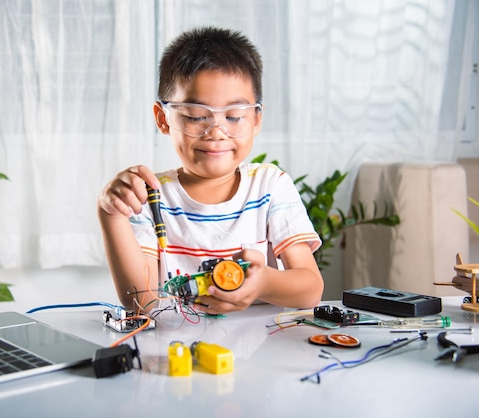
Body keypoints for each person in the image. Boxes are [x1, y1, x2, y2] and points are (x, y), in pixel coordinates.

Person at [97, 26, 323, 314]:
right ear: (163, 119)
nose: (217, 132)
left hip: (263, 350)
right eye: (196, 116)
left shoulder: (270, 185)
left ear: (255, 119)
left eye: (234, 116)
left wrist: (265, 282)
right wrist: (111, 214)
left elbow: (311, 290)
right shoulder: (149, 196)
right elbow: (142, 302)